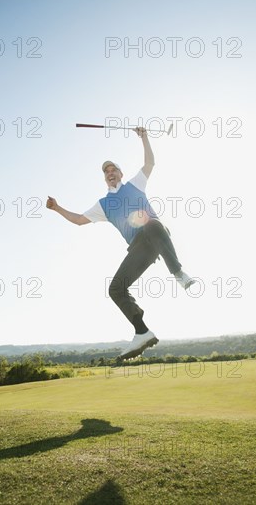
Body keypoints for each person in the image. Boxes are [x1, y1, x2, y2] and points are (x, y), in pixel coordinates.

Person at [46, 127, 195, 360]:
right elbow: (77, 220)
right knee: (115, 288)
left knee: (152, 223)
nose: (110, 172)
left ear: (121, 173)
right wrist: (57, 208)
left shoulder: (135, 185)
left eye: (113, 169)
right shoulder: (103, 205)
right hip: (139, 248)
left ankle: (178, 272)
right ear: (105, 178)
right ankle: (142, 332)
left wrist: (144, 137)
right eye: (106, 171)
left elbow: (150, 163)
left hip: (155, 234)